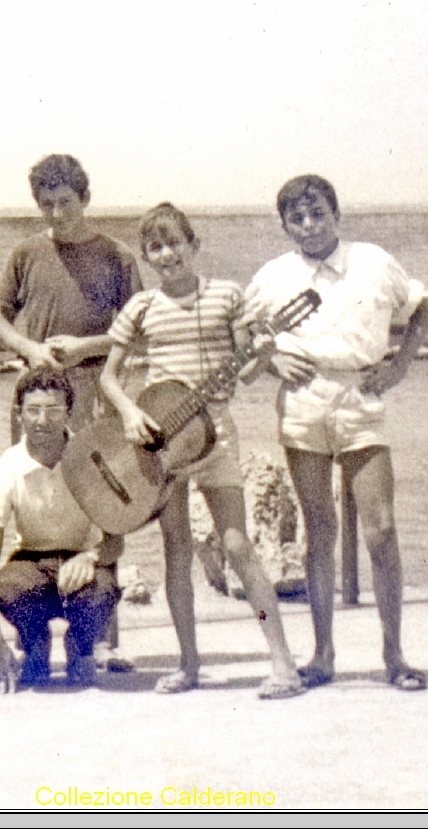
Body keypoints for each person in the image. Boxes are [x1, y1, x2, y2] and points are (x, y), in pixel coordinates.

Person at [98, 204, 304, 699]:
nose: (167, 255)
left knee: (237, 545)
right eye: (155, 247)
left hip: (215, 436)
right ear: (147, 257)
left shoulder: (228, 296)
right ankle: (188, 664)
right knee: (176, 553)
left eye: (174, 243)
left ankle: (282, 663)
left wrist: (263, 354)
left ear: (194, 246)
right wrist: (129, 413)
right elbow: (109, 376)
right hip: (162, 442)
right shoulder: (141, 307)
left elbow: (247, 371)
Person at [245, 175, 428, 691]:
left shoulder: (373, 260)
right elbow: (240, 332)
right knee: (319, 530)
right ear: (284, 225)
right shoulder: (274, 275)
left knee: (382, 528)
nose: (309, 226)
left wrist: (401, 366)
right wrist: (273, 359)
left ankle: (394, 656)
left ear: (335, 213)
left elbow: (421, 311)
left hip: (362, 398)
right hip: (304, 405)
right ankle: (322, 654)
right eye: (297, 219)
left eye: (318, 214)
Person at [0, 153, 141, 672]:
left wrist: (84, 347)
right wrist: (30, 350)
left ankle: (102, 640)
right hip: (37, 399)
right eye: (47, 204)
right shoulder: (25, 253)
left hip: (95, 394)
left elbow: (134, 329)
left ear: (85, 198)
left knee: (104, 504)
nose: (57, 214)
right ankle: (27, 632)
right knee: (31, 504)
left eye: (66, 202)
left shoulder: (116, 256)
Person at [0, 369, 124, 691]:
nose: (43, 420)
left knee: (104, 589)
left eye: (54, 410)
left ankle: (81, 647)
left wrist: (91, 557)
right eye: (33, 410)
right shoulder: (4, 469)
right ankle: (34, 643)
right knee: (8, 589)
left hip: (80, 560)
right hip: (31, 560)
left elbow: (116, 541)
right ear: (19, 415)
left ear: (69, 412)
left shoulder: (92, 460)